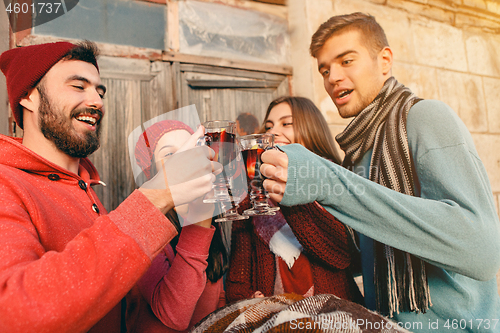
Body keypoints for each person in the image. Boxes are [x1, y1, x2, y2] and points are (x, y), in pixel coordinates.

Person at [260, 12, 500, 332]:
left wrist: (326, 181)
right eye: (325, 69)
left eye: (347, 61)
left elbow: (481, 251)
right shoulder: (359, 151)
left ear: (384, 60)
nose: (333, 76)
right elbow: (360, 258)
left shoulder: (426, 117)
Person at [0, 41, 218, 332]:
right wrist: (156, 197)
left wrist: (199, 220)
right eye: (78, 86)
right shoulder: (7, 184)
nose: (97, 101)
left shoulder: (87, 191)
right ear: (28, 96)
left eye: (99, 91)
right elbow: (16, 314)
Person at [226, 96, 363, 304]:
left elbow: (341, 256)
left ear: (311, 127)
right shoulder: (253, 194)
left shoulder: (333, 180)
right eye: (269, 126)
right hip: (276, 320)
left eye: (286, 123)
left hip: (333, 315)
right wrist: (247, 299)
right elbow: (239, 275)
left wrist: (292, 188)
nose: (273, 132)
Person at [130, 120, 227, 332]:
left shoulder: (208, 215)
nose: (184, 160)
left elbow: (217, 302)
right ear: (152, 172)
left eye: (191, 150)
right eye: (170, 155)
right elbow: (174, 315)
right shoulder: (143, 230)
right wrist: (199, 222)